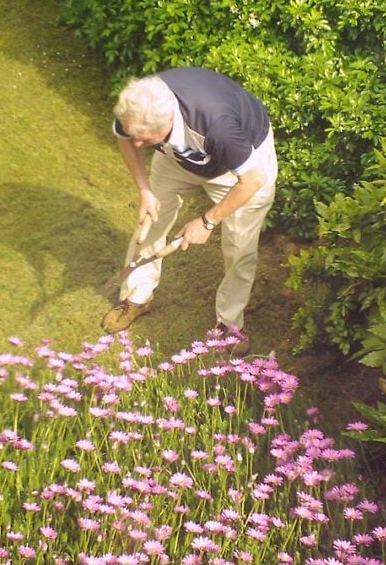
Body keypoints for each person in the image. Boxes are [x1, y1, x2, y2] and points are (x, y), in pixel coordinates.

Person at [101, 67, 278, 355]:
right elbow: (125, 138)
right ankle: (137, 296)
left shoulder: (218, 126)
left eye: (143, 138)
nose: (137, 144)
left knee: (239, 247)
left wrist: (208, 221)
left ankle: (229, 324)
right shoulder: (138, 108)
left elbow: (252, 180)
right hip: (176, 159)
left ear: (166, 123)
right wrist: (144, 189)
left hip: (241, 170)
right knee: (151, 222)